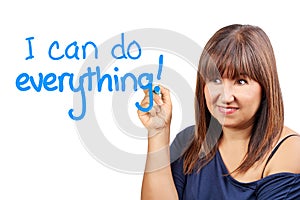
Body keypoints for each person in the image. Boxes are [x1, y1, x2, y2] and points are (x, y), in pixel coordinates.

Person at [137, 24, 300, 200]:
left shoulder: (289, 150)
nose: (226, 96)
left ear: (265, 88)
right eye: (215, 79)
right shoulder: (189, 141)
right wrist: (158, 133)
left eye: (241, 81)